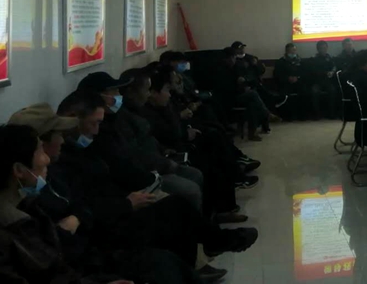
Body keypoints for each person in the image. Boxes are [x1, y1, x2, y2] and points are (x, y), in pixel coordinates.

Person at [47, 95, 259, 266]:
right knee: (177, 206)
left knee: (178, 206)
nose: (96, 130)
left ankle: (207, 249)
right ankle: (214, 243)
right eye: (94, 123)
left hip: (118, 206)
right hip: (106, 226)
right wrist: (126, 203)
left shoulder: (85, 149)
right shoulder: (61, 163)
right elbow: (84, 204)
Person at [5, 112, 209, 284]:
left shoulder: (47, 183)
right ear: (19, 170)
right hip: (95, 246)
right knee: (161, 263)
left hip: (95, 242)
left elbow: (82, 204)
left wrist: (78, 218)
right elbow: (54, 264)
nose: (47, 158)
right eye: (40, 150)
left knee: (172, 224)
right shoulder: (19, 219)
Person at [77, 72, 205, 214]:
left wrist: (162, 151)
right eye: (114, 92)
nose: (119, 96)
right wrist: (156, 174)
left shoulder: (118, 116)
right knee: (190, 191)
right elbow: (127, 161)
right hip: (142, 177)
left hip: (150, 168)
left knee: (195, 174)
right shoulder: (103, 129)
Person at [143, 68, 255, 221]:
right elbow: (168, 133)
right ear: (153, 93)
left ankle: (233, 181)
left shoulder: (164, 106)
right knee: (210, 163)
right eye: (167, 90)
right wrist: (184, 132)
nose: (169, 94)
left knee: (216, 140)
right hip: (175, 151)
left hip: (182, 142)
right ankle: (218, 210)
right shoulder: (148, 113)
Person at [212, 47, 271, 141]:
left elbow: (248, 77)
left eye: (234, 57)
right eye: (231, 58)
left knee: (252, 103)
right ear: (226, 59)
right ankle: (267, 115)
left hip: (240, 94)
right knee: (253, 95)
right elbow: (225, 88)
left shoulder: (237, 66)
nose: (233, 60)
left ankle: (253, 132)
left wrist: (245, 83)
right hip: (228, 98)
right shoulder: (220, 70)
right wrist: (241, 88)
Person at [274, 43, 309, 120]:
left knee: (304, 92)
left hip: (298, 82)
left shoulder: (300, 61)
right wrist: (287, 78)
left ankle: (302, 115)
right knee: (285, 94)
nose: (293, 53)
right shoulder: (280, 62)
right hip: (285, 83)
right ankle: (288, 116)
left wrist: (298, 78)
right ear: (286, 51)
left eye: (294, 51)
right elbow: (277, 74)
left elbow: (305, 73)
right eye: (291, 51)